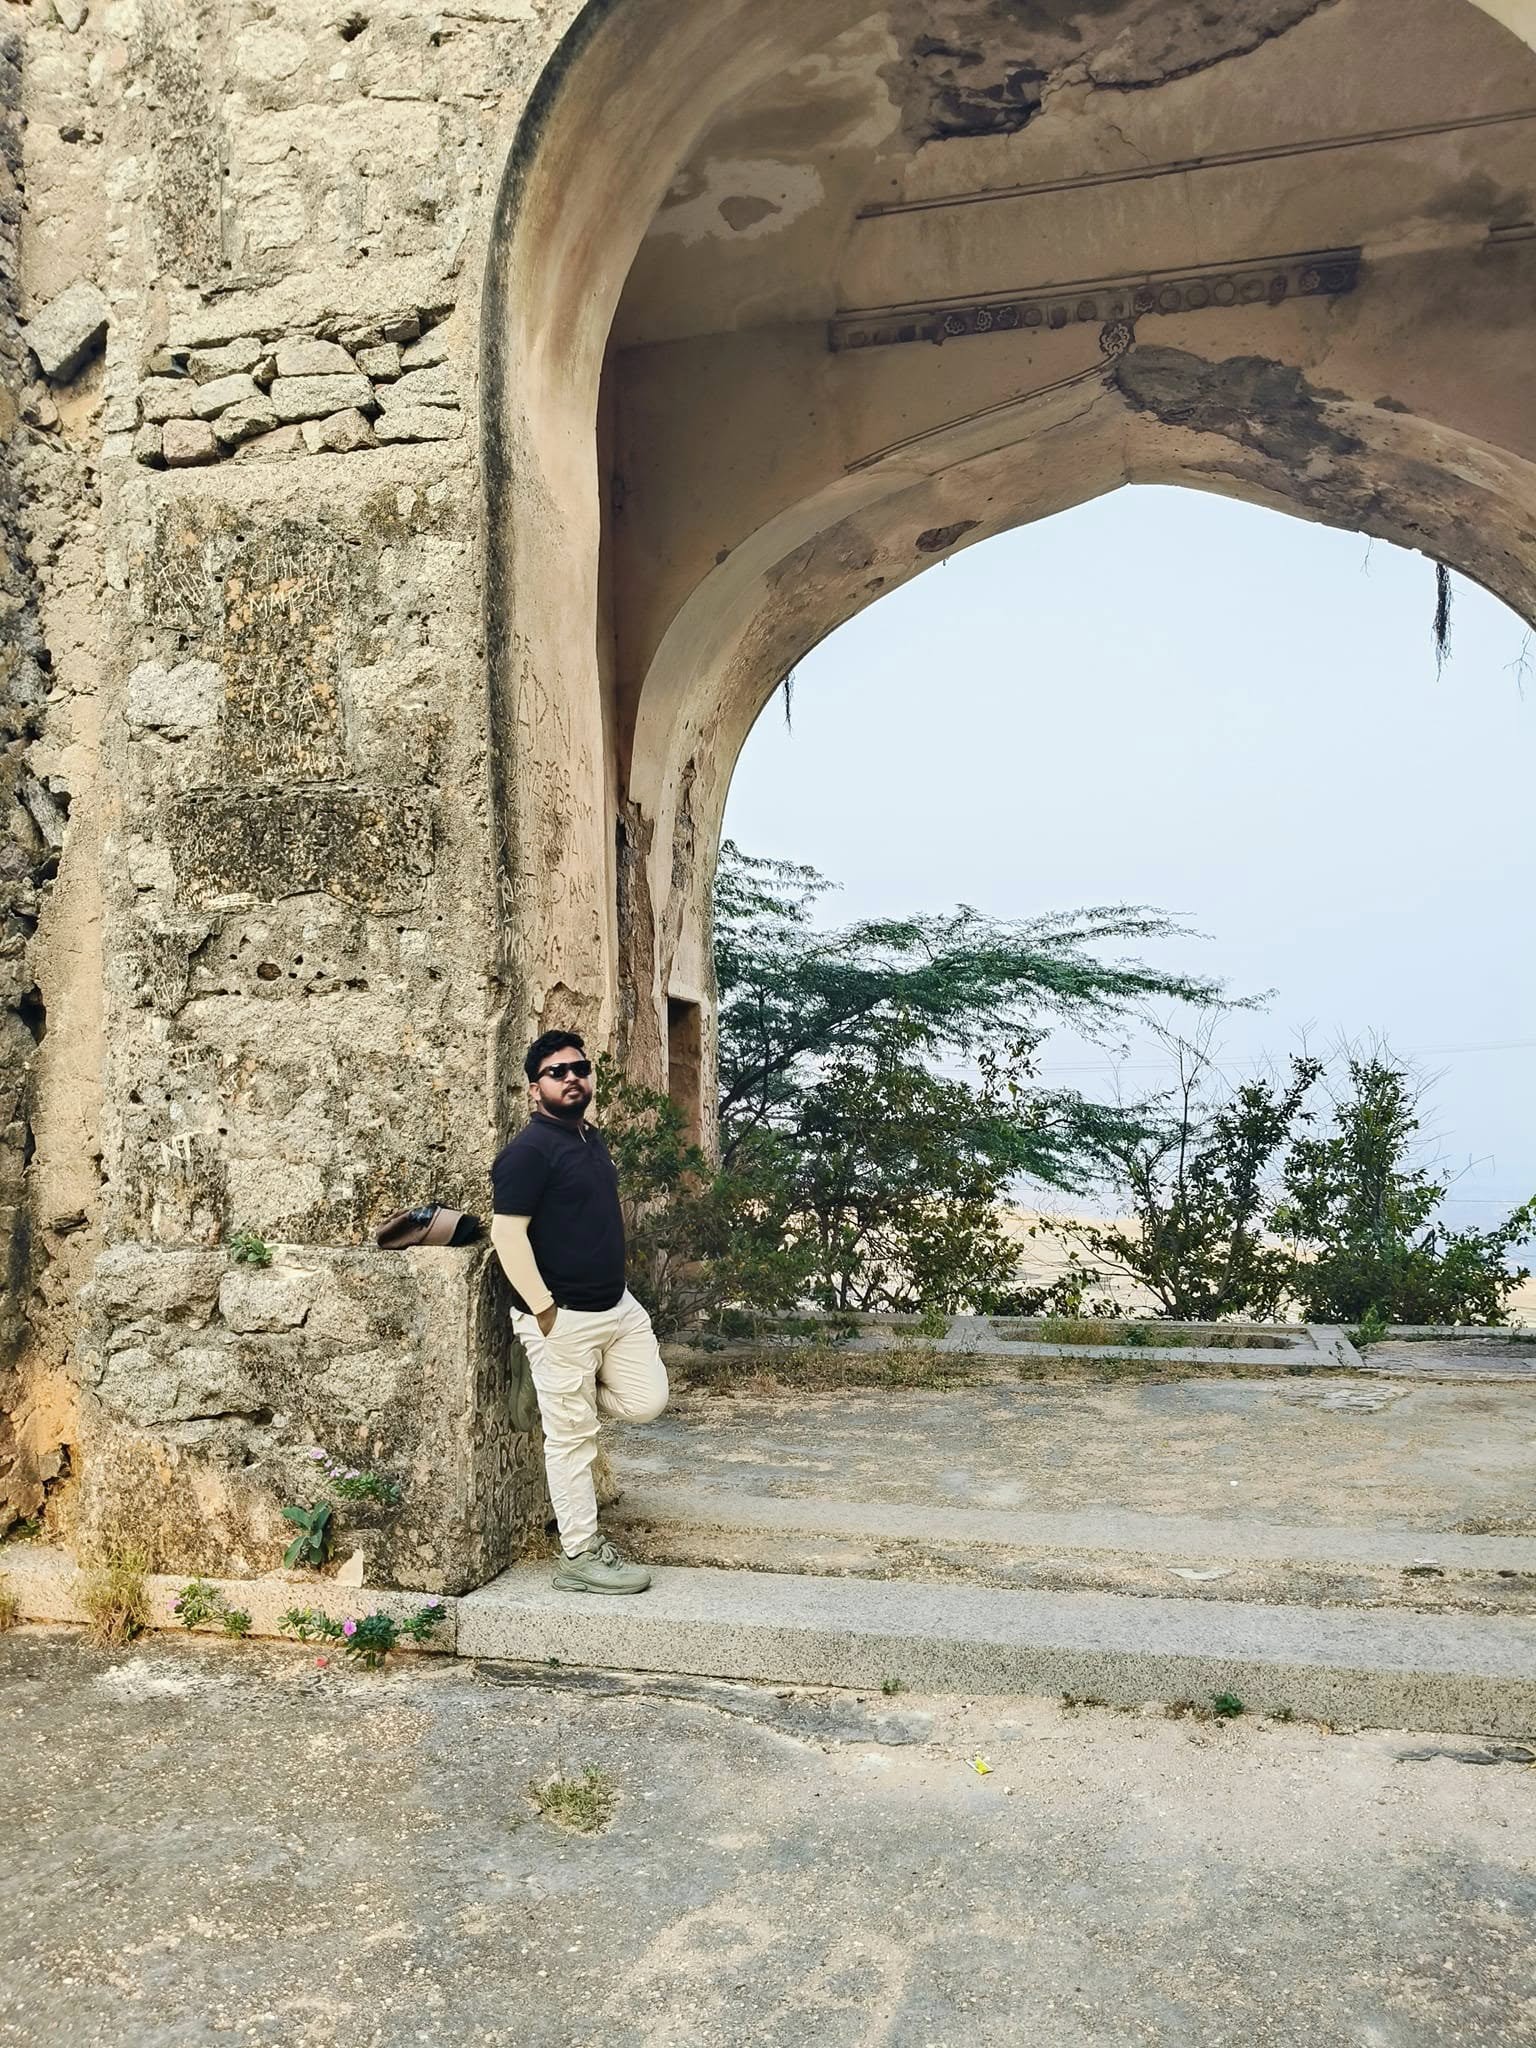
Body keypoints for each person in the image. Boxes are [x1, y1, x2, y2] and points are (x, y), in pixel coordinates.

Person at [489, 1030, 669, 1594]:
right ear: (533, 1088)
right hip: (561, 1317)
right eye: (556, 1072)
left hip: (616, 1307)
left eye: (579, 1068)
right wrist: (543, 1312)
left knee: (647, 1401)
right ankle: (579, 1555)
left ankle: (547, 1386)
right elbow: (507, 1235)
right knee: (572, 1440)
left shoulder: (588, 1137)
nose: (571, 1077)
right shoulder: (527, 1153)